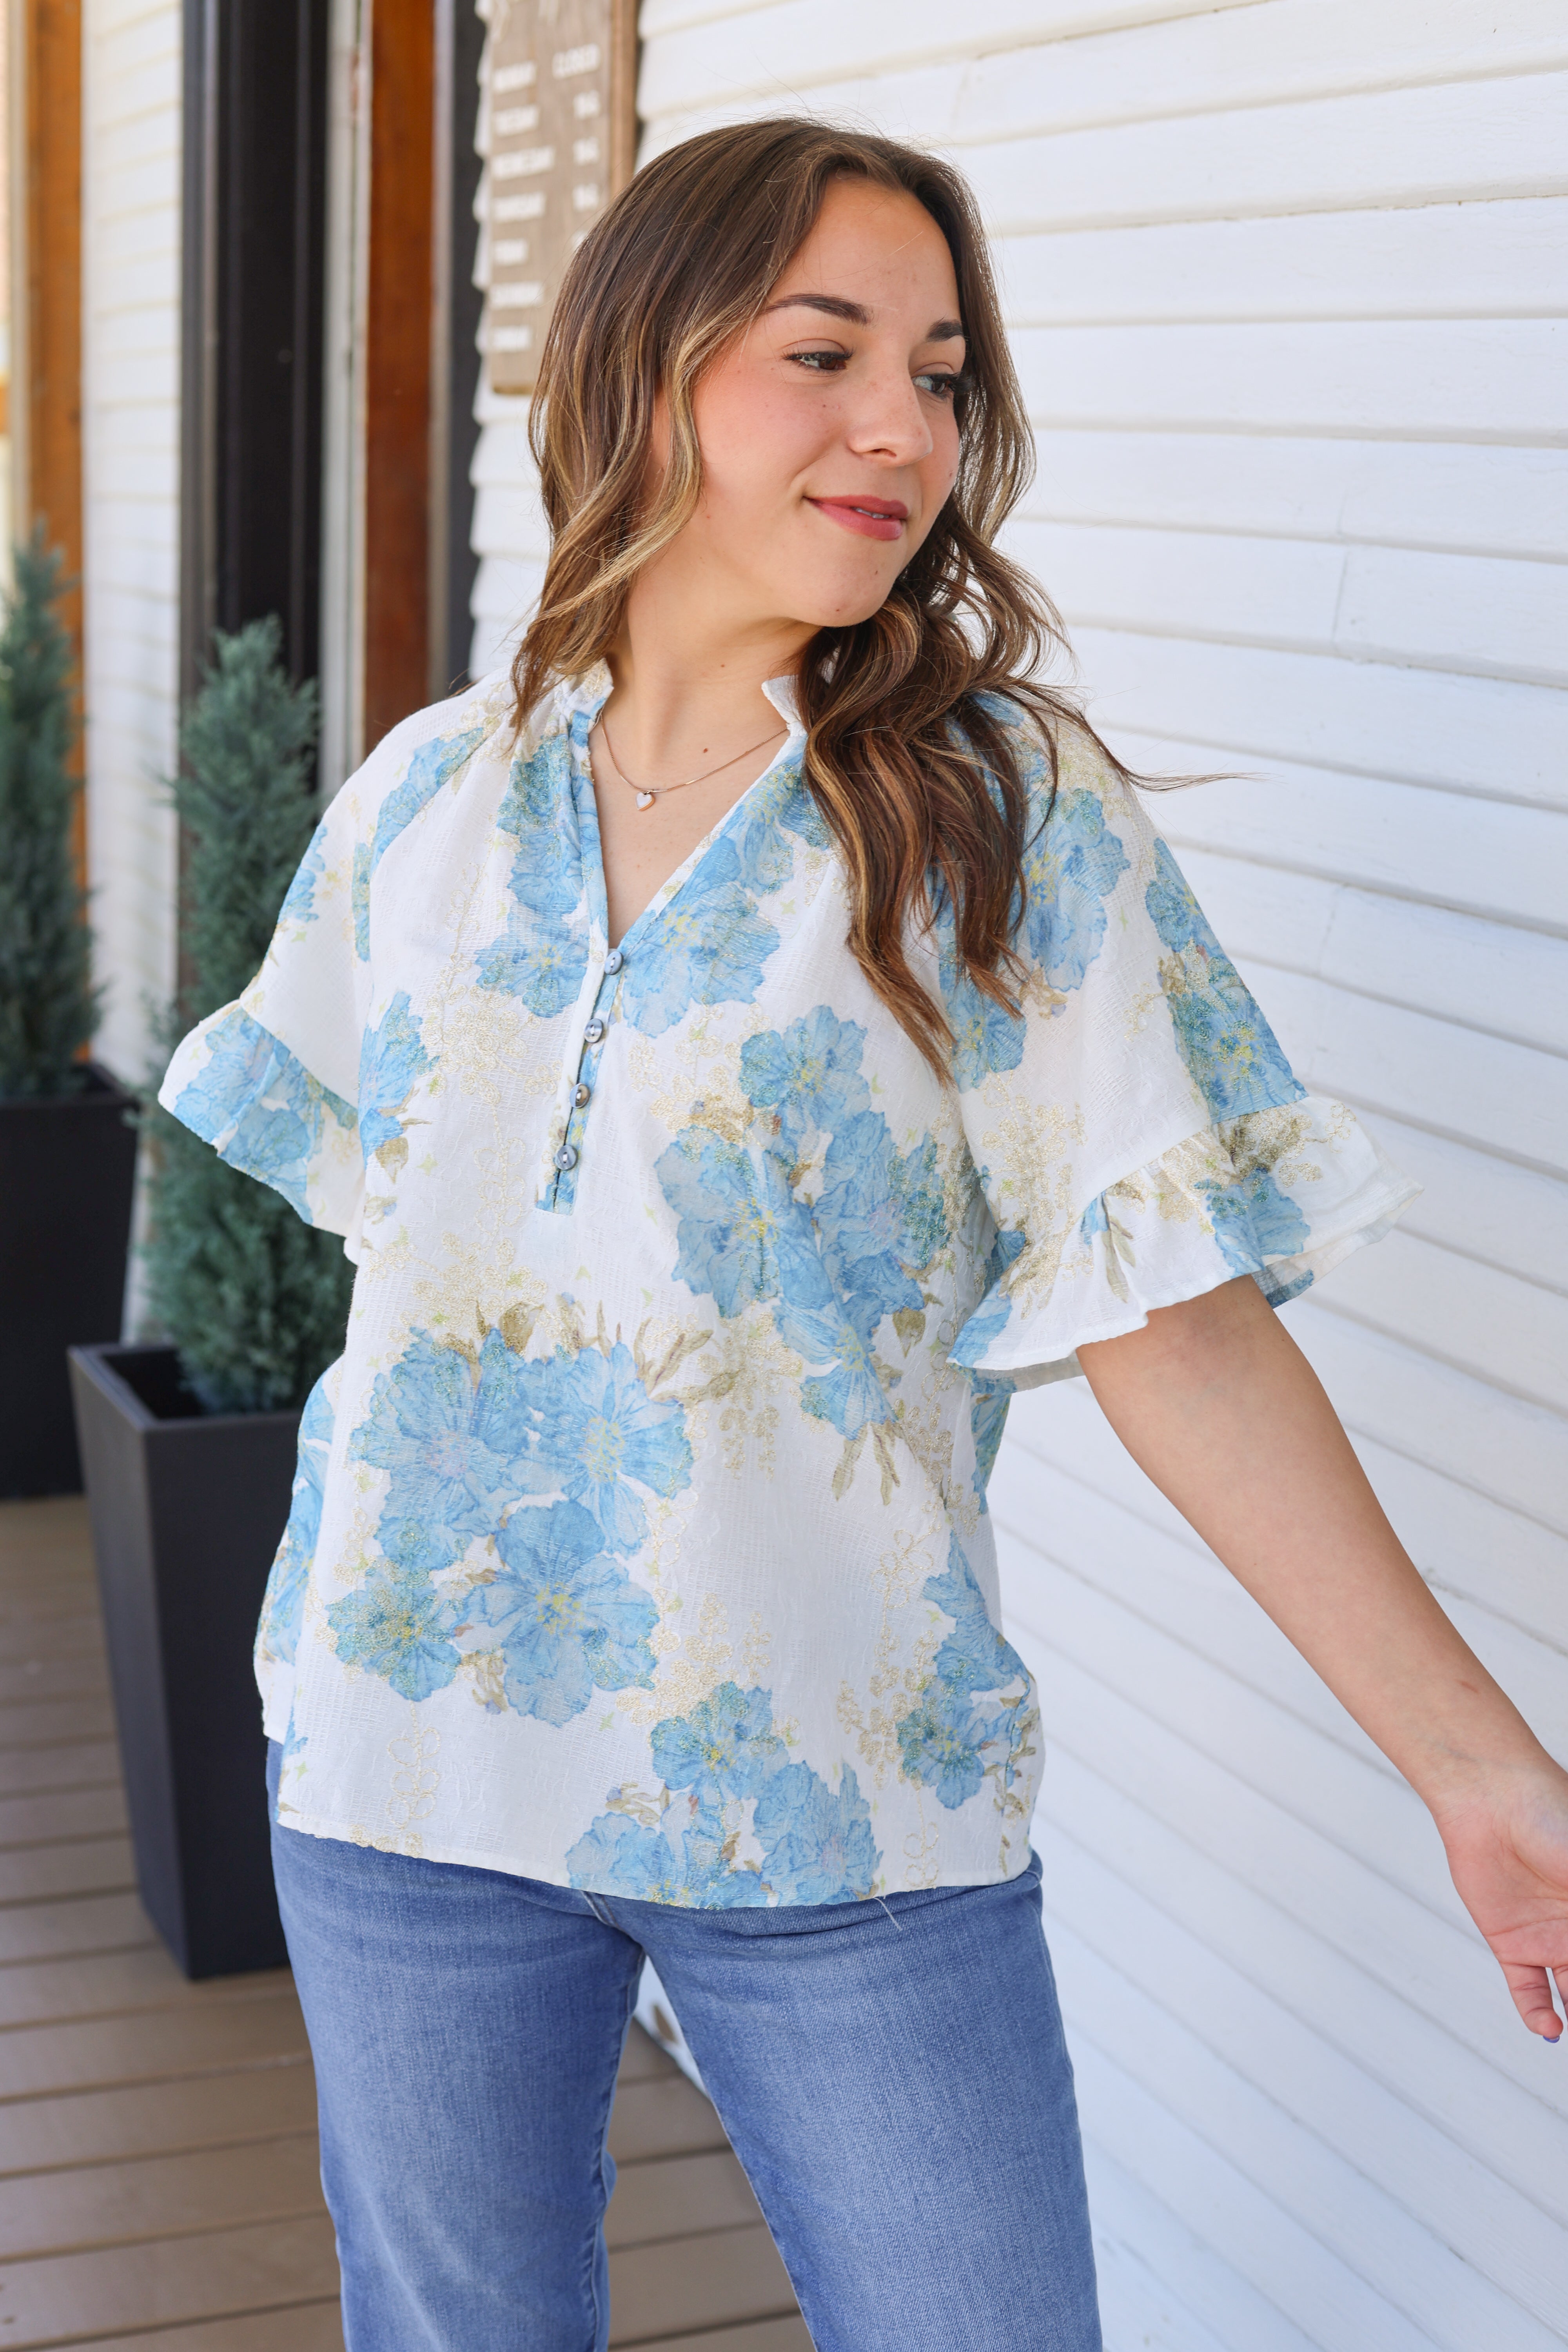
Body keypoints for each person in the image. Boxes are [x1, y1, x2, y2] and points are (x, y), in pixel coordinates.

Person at [160, 118, 1568, 2352]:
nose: (902, 429)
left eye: (939, 373)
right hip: (405, 1765)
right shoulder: (427, 795)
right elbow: (416, 1286)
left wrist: (1481, 1772)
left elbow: (1180, 1327)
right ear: (641, 370)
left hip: (843, 1793)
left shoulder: (995, 813)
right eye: (824, 355)